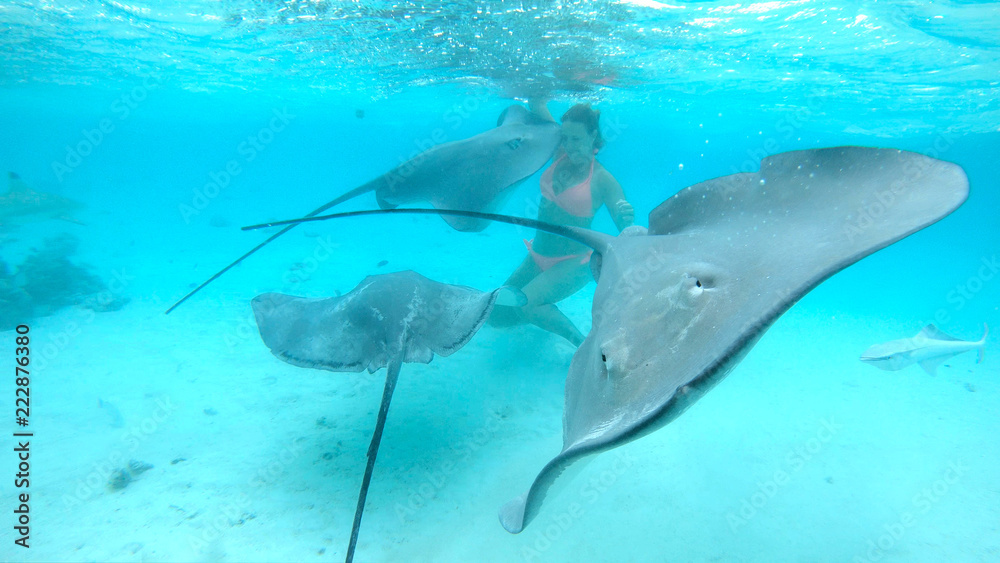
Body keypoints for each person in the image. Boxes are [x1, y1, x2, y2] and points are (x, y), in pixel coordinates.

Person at [488, 100, 635, 346]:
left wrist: (625, 216)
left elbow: (626, 226)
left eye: (576, 140)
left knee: (527, 304)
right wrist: (536, 92)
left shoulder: (603, 180)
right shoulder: (559, 155)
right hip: (537, 255)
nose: (568, 146)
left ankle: (582, 345)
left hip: (574, 263)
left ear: (593, 136)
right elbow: (539, 107)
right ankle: (543, 302)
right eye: (565, 139)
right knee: (497, 315)